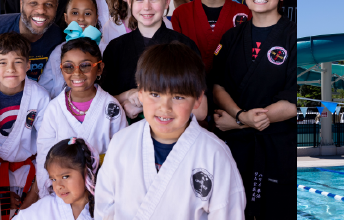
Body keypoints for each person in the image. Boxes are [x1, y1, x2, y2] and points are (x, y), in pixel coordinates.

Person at [94, 43, 246, 219]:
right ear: (141, 93)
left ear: (197, 100)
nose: (164, 107)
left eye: (178, 97)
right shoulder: (121, 143)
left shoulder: (214, 153)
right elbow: (104, 208)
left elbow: (227, 213)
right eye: (155, 95)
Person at [208, 0, 298, 219]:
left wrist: (240, 122)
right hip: (237, 149)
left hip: (277, 147)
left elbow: (293, 100)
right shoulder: (231, 37)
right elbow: (217, 86)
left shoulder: (295, 37)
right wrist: (239, 115)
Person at [98, 0, 204, 124]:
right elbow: (101, 102)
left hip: (174, 137)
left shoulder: (185, 47)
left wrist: (144, 104)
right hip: (125, 137)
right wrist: (127, 96)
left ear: (167, 1)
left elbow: (201, 110)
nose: (146, 7)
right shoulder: (115, 49)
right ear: (129, 1)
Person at [0, 33, 53, 219]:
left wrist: (33, 194)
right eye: (2, 62)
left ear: (28, 64)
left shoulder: (40, 97)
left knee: (33, 214)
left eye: (18, 61)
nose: (11, 69)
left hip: (31, 170)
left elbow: (47, 145)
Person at [35, 37, 126, 198]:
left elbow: (122, 155)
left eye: (85, 65)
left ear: (99, 68)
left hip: (101, 192)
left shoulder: (111, 107)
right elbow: (44, 155)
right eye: (68, 67)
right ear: (61, 69)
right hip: (61, 193)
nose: (76, 73)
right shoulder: (54, 109)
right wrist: (49, 193)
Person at [39, 0, 109, 96]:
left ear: (96, 19)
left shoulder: (106, 49)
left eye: (88, 13)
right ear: (66, 18)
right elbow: (45, 88)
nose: (81, 18)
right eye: (75, 13)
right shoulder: (58, 52)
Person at [16, 138, 98, 220]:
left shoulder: (103, 206)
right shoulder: (45, 207)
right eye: (53, 179)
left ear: (86, 172)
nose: (58, 186)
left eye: (65, 177)